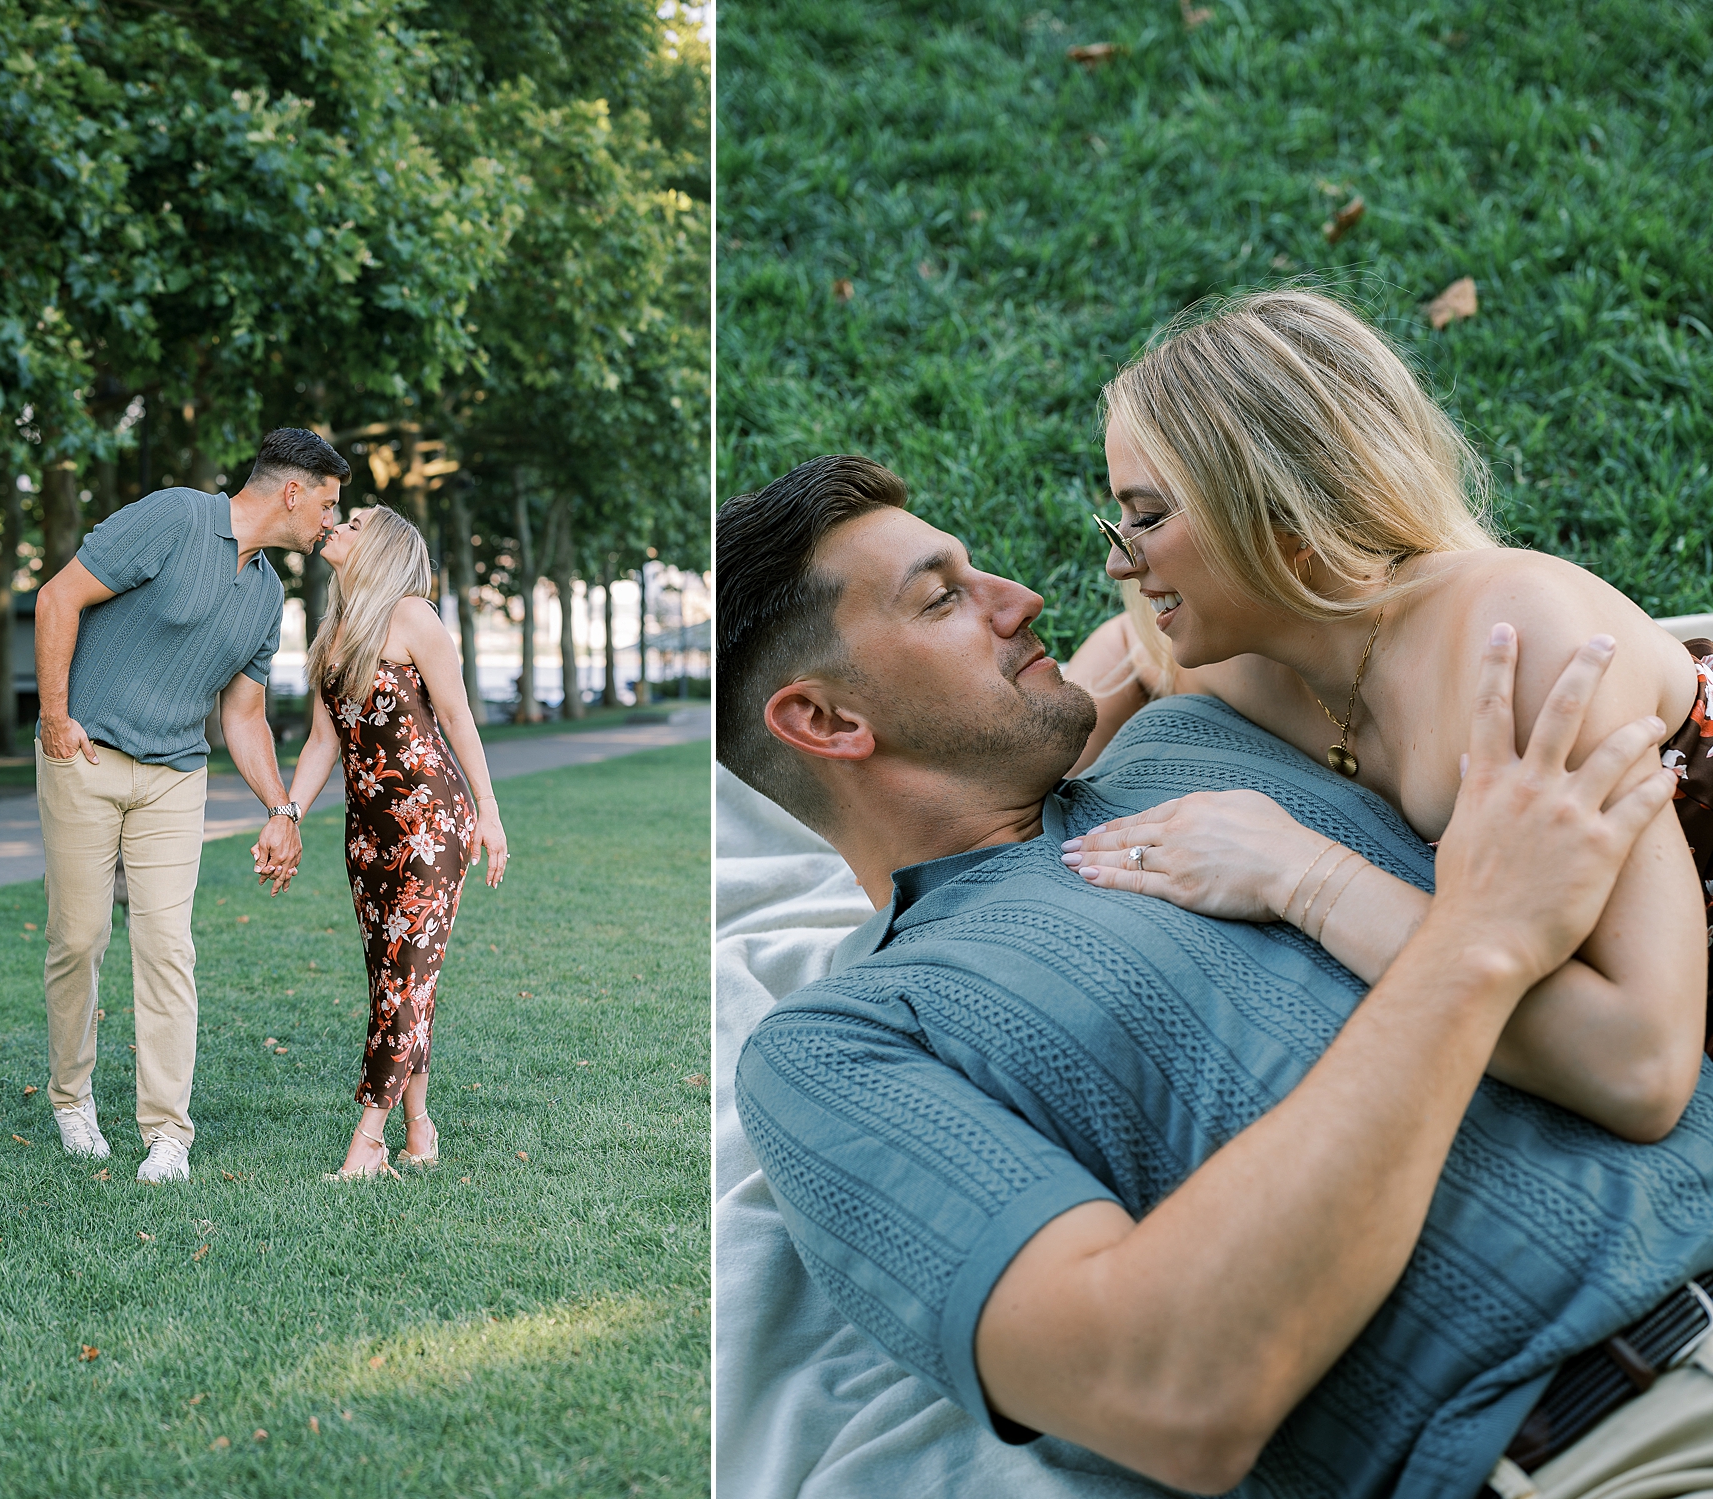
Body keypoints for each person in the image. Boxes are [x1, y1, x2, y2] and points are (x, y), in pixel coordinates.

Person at [718, 455, 1713, 1499]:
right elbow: (1166, 1387)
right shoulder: (840, 1044)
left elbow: (1227, 632)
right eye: (941, 598)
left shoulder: (1197, 729)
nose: (1019, 599)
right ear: (825, 722)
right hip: (1612, 1444)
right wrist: (1471, 939)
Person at [1059, 291, 1708, 1127]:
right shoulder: (1237, 655)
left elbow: (1643, 1066)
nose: (1122, 561)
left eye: (1146, 516)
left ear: (1284, 514)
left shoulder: (1523, 652)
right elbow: (1121, 659)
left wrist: (1300, 875)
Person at [33, 427, 348, 1183]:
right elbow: (59, 596)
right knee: (79, 938)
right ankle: (72, 1098)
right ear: (293, 492)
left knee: (168, 945)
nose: (331, 522)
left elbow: (241, 717)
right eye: (329, 504)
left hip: (176, 777)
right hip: (87, 755)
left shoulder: (268, 594)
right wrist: (52, 715)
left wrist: (282, 807)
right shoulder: (176, 518)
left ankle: (167, 1132)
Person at [278, 505, 508, 1180]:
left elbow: (459, 719)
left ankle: (367, 1143)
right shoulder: (332, 633)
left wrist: (488, 814)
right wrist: (289, 812)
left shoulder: (414, 617)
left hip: (431, 825)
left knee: (402, 984)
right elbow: (323, 741)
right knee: (396, 981)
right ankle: (419, 1131)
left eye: (353, 522)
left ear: (379, 546)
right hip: (366, 833)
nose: (337, 526)